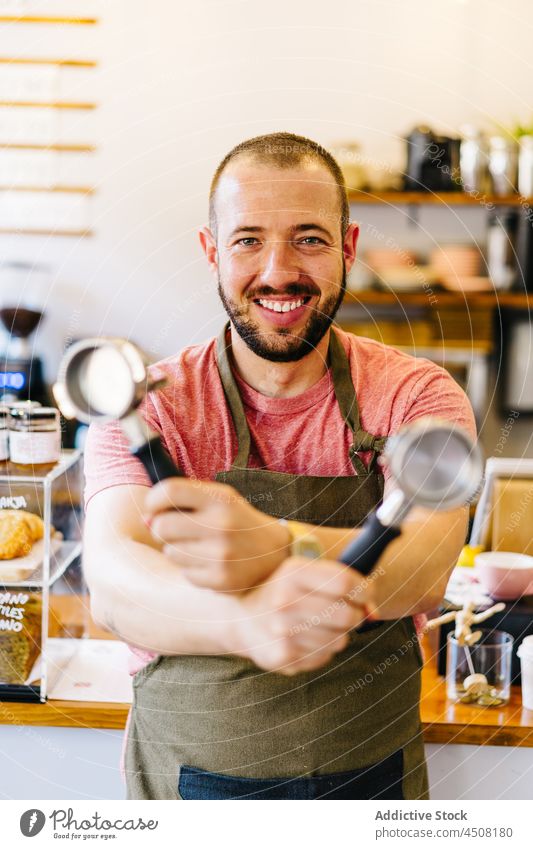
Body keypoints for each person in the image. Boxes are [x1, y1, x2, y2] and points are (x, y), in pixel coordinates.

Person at [83, 131, 476, 800]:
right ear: (211, 252)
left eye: (309, 238)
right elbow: (118, 587)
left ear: (347, 248)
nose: (277, 270)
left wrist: (270, 543)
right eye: (247, 240)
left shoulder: (415, 395)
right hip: (184, 791)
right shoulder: (151, 405)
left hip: (371, 787)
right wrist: (247, 622)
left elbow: (423, 567)